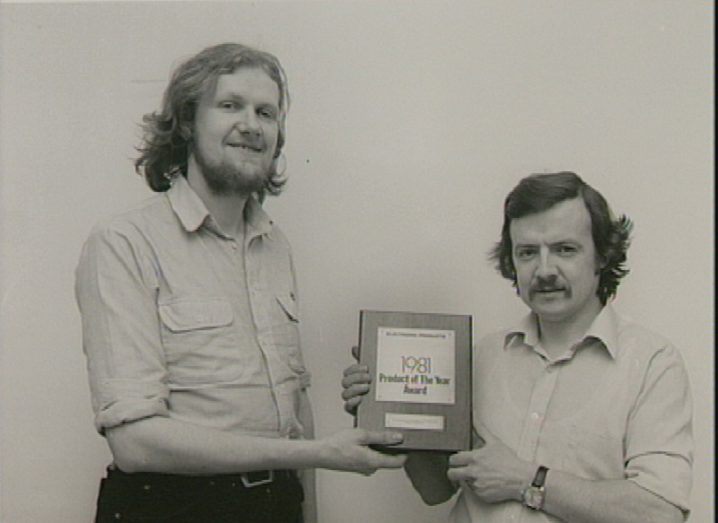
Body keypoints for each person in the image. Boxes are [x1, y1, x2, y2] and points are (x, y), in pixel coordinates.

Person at [75, 42, 405, 523]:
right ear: (187, 121)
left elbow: (296, 406)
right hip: (171, 509)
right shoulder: (124, 243)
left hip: (276, 506)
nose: (251, 125)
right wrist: (320, 454)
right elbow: (135, 442)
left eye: (266, 112)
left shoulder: (275, 246)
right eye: (230, 105)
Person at [342, 172, 693, 522]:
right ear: (511, 260)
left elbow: (661, 512)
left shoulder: (651, 364)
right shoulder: (479, 358)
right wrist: (384, 404)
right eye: (527, 253)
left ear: (601, 255)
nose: (544, 270)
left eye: (564, 250)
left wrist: (529, 480)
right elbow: (436, 490)